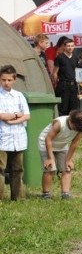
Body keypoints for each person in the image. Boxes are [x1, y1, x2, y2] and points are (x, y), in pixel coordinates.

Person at [38, 110, 82, 200]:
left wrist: (68, 160)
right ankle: (46, 194)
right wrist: (50, 158)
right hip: (46, 143)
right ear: (70, 121)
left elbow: (75, 143)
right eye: (75, 128)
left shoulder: (80, 127)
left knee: (67, 168)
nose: (76, 130)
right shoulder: (59, 123)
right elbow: (48, 139)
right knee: (50, 168)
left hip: (62, 145)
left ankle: (65, 193)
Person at [0, 65, 30, 201]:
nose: (6, 83)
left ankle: (17, 197)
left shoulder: (19, 96)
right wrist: (16, 115)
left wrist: (11, 118)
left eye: (9, 80)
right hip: (3, 137)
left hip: (18, 138)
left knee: (17, 169)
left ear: (14, 80)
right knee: (1, 169)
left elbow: (27, 115)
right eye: (3, 80)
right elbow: (2, 116)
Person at [53, 37, 79, 115]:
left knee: (73, 108)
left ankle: (71, 126)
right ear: (64, 47)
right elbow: (54, 73)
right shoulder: (59, 58)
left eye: (72, 46)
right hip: (63, 85)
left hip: (73, 85)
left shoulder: (75, 57)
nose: (70, 48)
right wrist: (56, 83)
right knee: (63, 108)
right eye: (68, 46)